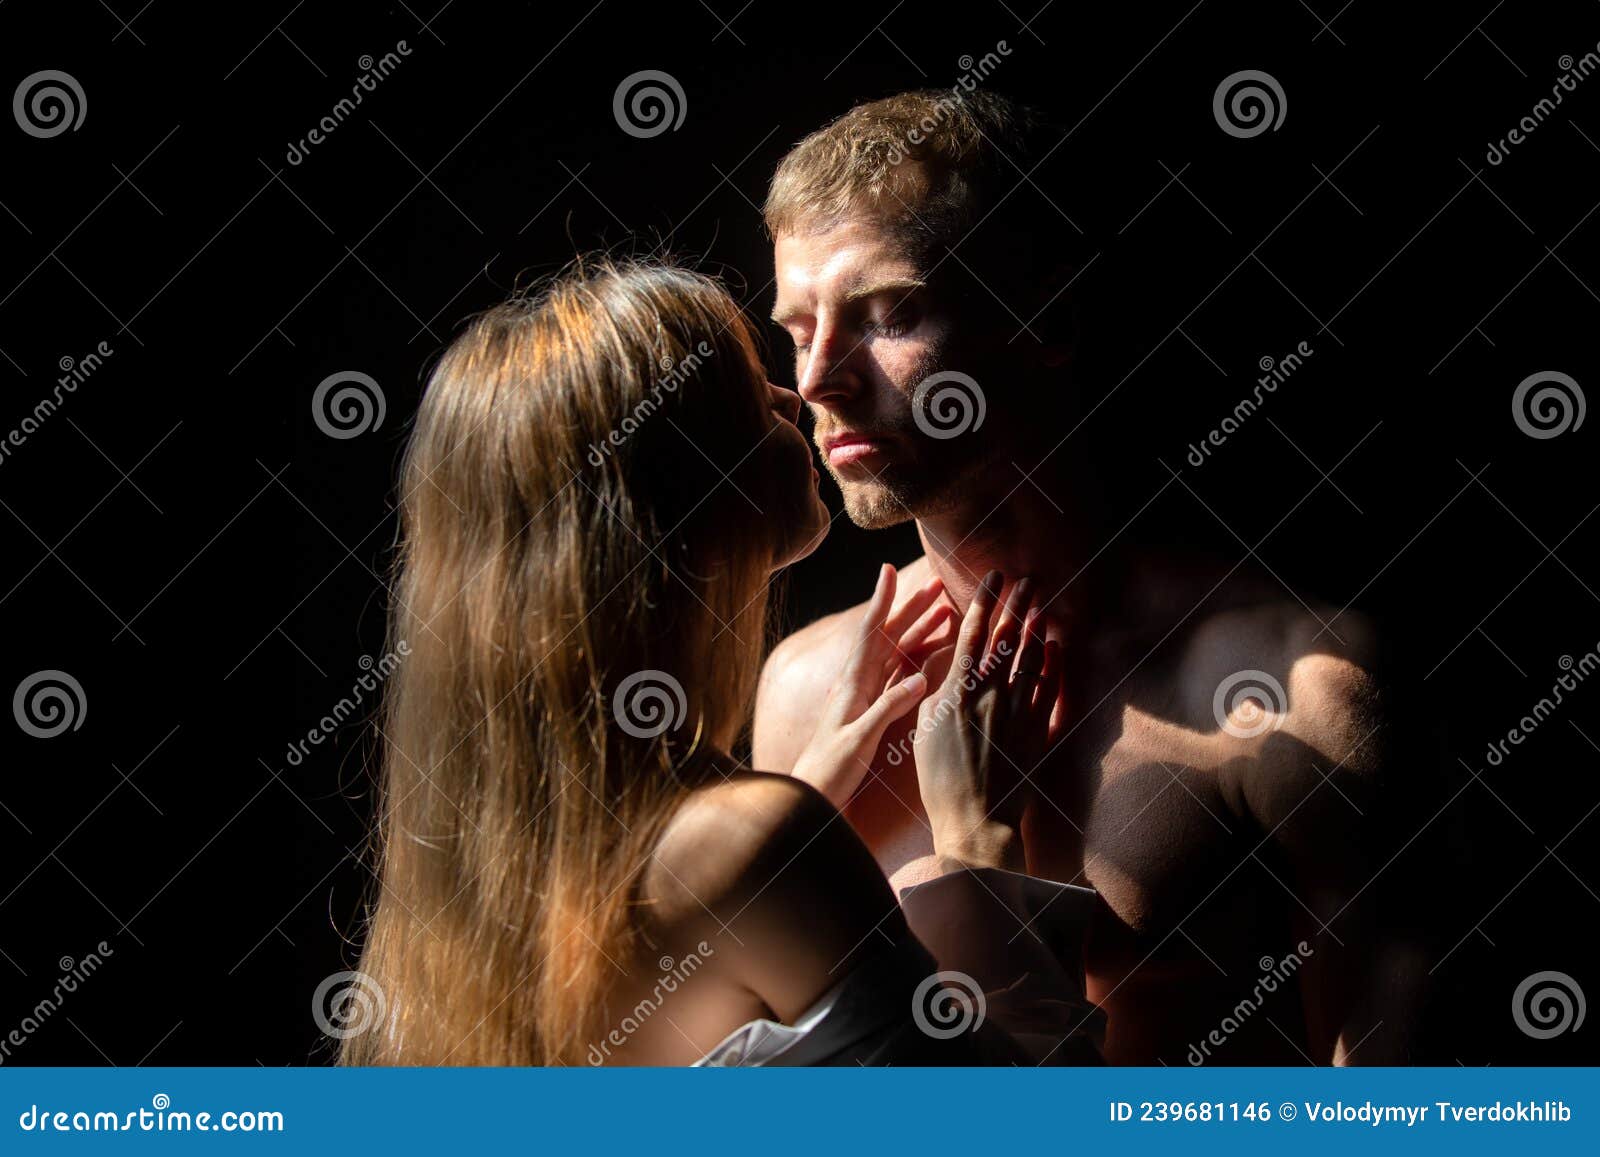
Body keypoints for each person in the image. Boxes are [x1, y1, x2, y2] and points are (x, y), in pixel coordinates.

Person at [754, 90, 1425, 1065]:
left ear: (1049, 315)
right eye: (796, 328)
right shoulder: (803, 694)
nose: (818, 377)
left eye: (889, 314)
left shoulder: (1291, 694)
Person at [339, 257, 1103, 1066]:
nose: (796, 394)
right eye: (743, 390)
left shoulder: (473, 868)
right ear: (662, 486)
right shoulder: (756, 843)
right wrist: (977, 844)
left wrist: (806, 793)